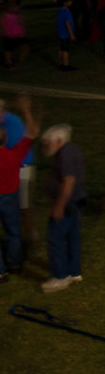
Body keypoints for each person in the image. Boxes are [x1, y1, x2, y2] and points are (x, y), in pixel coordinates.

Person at [40, 122, 85, 292]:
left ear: (58, 141)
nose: (46, 146)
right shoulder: (73, 149)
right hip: (77, 200)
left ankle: (60, 276)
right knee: (73, 236)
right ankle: (74, 272)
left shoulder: (64, 154)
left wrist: (59, 205)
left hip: (67, 203)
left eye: (48, 143)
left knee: (55, 238)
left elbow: (69, 180)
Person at [0, 95, 39, 284]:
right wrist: (27, 110)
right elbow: (31, 136)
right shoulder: (14, 154)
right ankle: (14, 263)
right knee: (13, 231)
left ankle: (1, 272)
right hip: (10, 195)